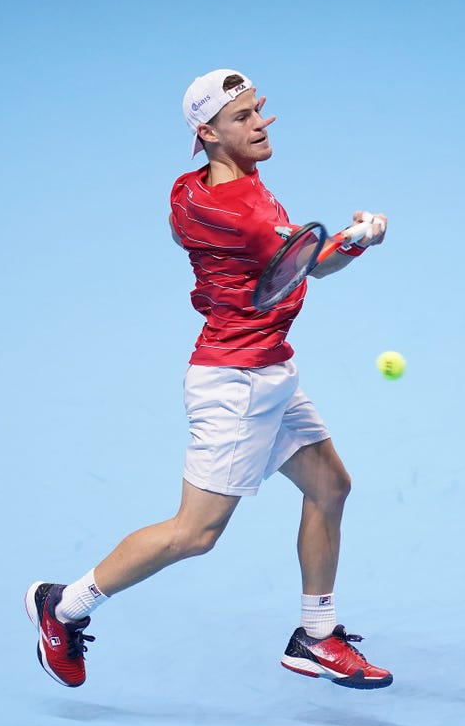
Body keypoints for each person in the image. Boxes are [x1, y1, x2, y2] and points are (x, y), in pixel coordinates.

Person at [25, 68, 392, 690]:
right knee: (193, 535)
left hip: (268, 367)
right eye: (242, 117)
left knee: (330, 487)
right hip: (237, 385)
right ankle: (62, 607)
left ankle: (316, 635)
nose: (259, 124)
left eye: (257, 110)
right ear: (208, 132)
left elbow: (182, 231)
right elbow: (314, 267)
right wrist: (361, 238)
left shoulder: (190, 189)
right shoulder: (248, 213)